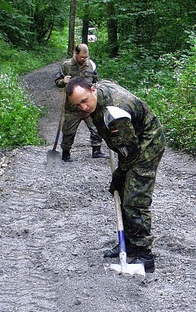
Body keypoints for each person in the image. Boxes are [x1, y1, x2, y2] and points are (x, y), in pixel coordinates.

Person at [65, 76, 166, 273]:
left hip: (146, 144)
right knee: (124, 192)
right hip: (131, 141)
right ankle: (128, 245)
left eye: (85, 100)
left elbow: (130, 152)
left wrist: (119, 175)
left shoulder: (115, 113)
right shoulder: (98, 94)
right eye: (78, 105)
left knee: (134, 199)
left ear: (93, 90)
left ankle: (143, 254)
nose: (84, 108)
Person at [54, 43, 108, 161]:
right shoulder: (66, 66)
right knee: (69, 131)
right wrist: (63, 81)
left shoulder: (91, 65)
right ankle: (66, 153)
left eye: (86, 57)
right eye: (82, 57)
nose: (85, 60)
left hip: (89, 106)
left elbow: (96, 82)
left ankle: (97, 150)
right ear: (76, 54)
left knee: (96, 128)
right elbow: (57, 82)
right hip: (72, 107)